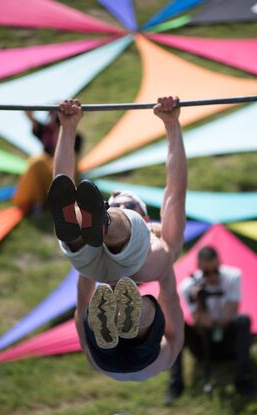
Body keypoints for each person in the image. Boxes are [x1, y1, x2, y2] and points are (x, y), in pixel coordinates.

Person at [47, 96, 187, 381]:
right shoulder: (157, 239)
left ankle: (101, 225)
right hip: (144, 356)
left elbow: (81, 306)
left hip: (101, 349)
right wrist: (172, 126)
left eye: (125, 205)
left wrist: (68, 129)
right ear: (147, 219)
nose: (121, 204)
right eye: (116, 205)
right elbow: (175, 191)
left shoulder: (142, 241)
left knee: (79, 243)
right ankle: (136, 322)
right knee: (106, 243)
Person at [166, 245, 256, 404]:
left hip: (227, 341)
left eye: (216, 270)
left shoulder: (233, 276)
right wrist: (200, 302)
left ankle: (244, 380)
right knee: (177, 324)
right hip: (203, 345)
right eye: (207, 272)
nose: (213, 276)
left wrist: (210, 319)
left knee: (243, 321)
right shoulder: (188, 287)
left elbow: (230, 313)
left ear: (220, 263)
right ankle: (176, 383)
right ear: (199, 268)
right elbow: (199, 323)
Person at [13, 110, 83, 212]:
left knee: (48, 163)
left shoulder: (75, 137)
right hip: (47, 175)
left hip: (66, 174)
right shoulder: (47, 133)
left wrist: (62, 126)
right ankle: (38, 201)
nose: (50, 119)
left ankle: (61, 200)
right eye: (51, 115)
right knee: (36, 162)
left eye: (54, 116)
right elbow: (33, 121)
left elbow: (69, 157)